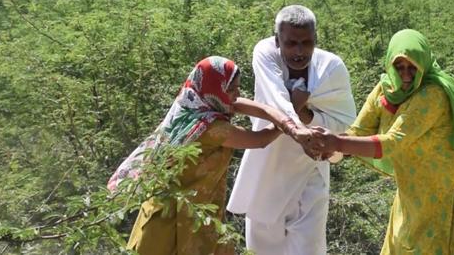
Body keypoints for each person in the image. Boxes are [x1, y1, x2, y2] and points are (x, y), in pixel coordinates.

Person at [107, 56, 312, 255]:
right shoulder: (209, 128)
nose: (236, 94)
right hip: (174, 223)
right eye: (231, 89)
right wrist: (294, 108)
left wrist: (287, 115)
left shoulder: (192, 102)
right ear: (216, 89)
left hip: (181, 212)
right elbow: (260, 140)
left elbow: (263, 109)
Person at [311, 29, 454, 255]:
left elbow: (393, 142)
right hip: (413, 190)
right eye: (399, 67)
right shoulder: (386, 90)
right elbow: (358, 131)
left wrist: (337, 144)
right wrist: (330, 149)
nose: (405, 75)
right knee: (402, 246)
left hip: (448, 189)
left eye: (412, 67)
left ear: (423, 65)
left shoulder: (434, 94)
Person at [227, 5, 356, 255]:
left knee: (308, 248)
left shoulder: (332, 68)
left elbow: (345, 125)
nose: (299, 51)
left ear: (316, 40)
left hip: (311, 171)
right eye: (291, 43)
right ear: (277, 41)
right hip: (268, 166)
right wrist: (296, 115)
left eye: (307, 43)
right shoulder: (265, 53)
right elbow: (276, 98)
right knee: (262, 246)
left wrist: (307, 115)